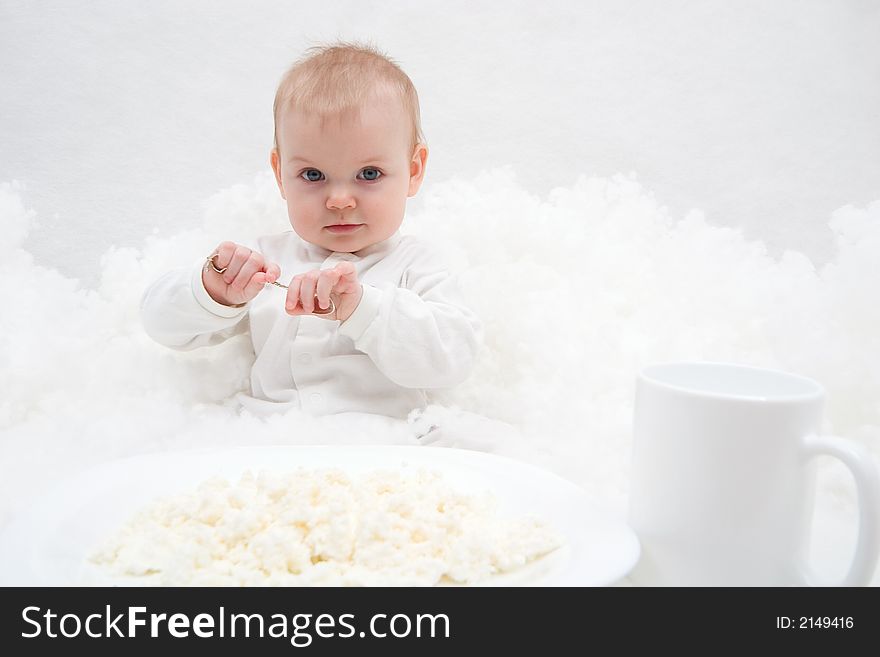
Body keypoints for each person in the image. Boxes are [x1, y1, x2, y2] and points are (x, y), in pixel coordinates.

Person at [141, 42, 482, 421]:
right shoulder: (264, 263)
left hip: (385, 449)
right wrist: (213, 292)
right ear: (280, 173)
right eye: (312, 175)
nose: (339, 200)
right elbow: (162, 326)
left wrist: (361, 308)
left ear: (413, 170)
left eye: (369, 174)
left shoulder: (417, 264)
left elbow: (454, 358)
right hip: (271, 442)